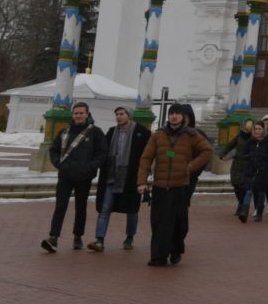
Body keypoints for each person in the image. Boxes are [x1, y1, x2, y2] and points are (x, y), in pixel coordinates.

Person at [137, 102, 212, 267]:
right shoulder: (158, 135)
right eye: (171, 113)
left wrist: (190, 167)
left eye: (177, 113)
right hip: (160, 186)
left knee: (178, 222)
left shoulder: (191, 134)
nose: (174, 116)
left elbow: (207, 151)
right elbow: (146, 158)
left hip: (180, 186)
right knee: (158, 222)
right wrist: (142, 181)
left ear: (183, 117)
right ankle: (158, 256)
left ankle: (176, 249)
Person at [42, 101, 107, 253]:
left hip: (84, 176)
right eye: (76, 113)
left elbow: (102, 153)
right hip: (65, 175)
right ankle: (53, 237)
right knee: (60, 206)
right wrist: (59, 164)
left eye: (81, 113)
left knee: (81, 207)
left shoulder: (95, 132)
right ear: (73, 114)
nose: (78, 116)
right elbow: (54, 150)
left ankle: (78, 236)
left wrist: (90, 167)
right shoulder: (64, 131)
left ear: (87, 114)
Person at [91, 105, 149, 253]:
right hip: (111, 177)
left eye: (121, 113)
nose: (118, 116)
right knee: (105, 208)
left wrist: (144, 176)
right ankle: (99, 239)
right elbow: (102, 151)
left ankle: (130, 237)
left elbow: (147, 156)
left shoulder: (142, 133)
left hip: (131, 178)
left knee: (132, 210)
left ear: (128, 115)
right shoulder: (111, 132)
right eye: (117, 114)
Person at [236, 120, 268, 223]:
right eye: (256, 129)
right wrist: (250, 157)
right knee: (248, 191)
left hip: (263, 171)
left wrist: (263, 157)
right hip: (251, 170)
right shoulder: (251, 141)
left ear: (263, 129)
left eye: (259, 129)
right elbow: (244, 154)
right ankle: (244, 213)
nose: (257, 131)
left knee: (261, 192)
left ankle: (259, 213)